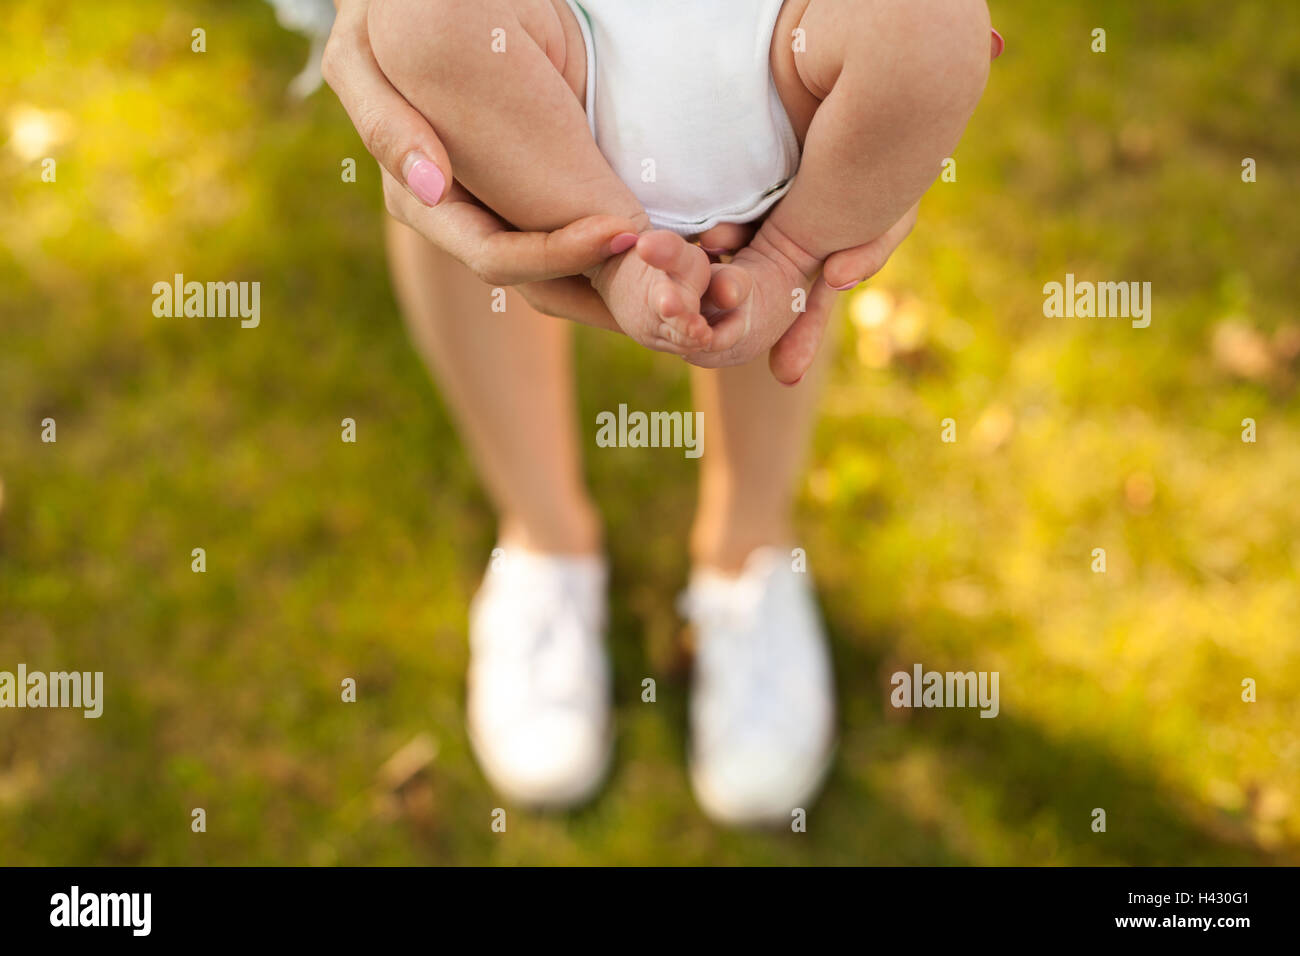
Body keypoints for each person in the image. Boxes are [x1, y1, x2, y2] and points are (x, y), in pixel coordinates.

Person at [303, 0, 1000, 824]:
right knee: (422, 31)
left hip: (776, 32)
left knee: (927, 21)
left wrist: (912, 94)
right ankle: (547, 534)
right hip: (561, 31)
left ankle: (749, 537)